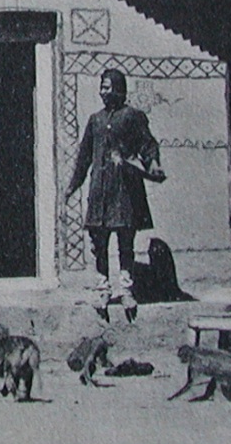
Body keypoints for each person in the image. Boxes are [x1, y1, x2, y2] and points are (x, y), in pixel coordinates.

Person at [66, 68, 164, 320]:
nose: (103, 91)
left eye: (108, 86)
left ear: (119, 88)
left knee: (125, 243)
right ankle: (103, 289)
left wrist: (152, 162)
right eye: (102, 86)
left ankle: (126, 290)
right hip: (99, 192)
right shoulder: (95, 120)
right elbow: (84, 156)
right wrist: (73, 185)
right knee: (99, 244)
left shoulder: (132, 117)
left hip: (124, 192)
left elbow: (148, 144)